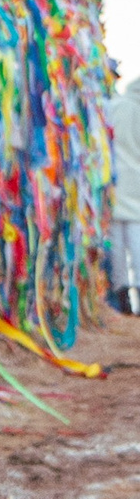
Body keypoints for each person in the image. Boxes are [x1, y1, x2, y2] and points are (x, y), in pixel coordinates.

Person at [111, 66, 140, 315]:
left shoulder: (115, 106)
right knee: (136, 239)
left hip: (114, 180)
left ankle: (123, 299)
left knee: (117, 243)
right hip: (136, 183)